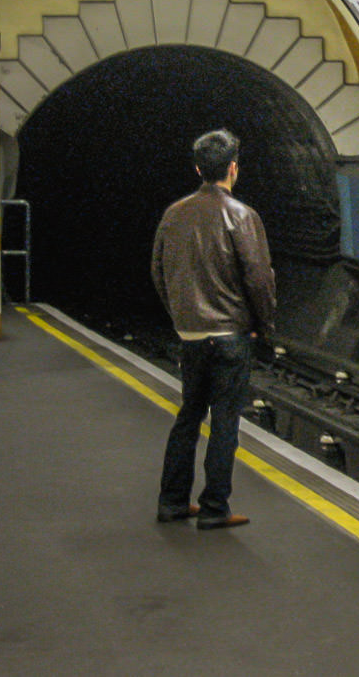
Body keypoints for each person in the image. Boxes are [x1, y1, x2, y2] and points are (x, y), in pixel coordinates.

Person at [151, 129, 276, 529]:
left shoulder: (174, 214)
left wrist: (180, 314)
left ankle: (172, 502)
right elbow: (259, 278)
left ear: (198, 168)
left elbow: (158, 271)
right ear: (233, 168)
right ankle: (214, 507)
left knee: (188, 415)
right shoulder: (242, 215)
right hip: (229, 337)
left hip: (191, 335)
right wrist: (263, 327)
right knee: (225, 420)